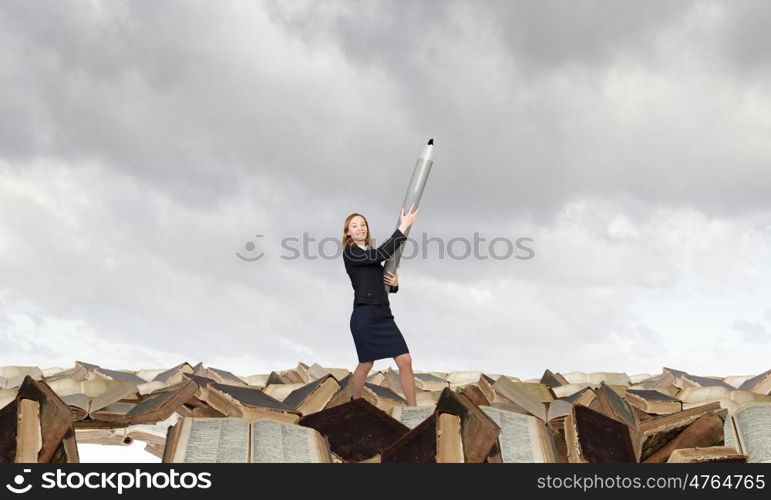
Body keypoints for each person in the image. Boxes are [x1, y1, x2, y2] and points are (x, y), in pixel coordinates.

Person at [341, 204, 419, 405]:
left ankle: (413, 409)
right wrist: (403, 227)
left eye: (363, 224)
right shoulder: (350, 253)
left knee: (405, 360)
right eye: (354, 225)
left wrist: (394, 285)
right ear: (348, 232)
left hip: (383, 314)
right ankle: (355, 404)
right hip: (364, 316)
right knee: (366, 364)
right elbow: (379, 255)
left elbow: (379, 282)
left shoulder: (369, 254)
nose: (360, 228)